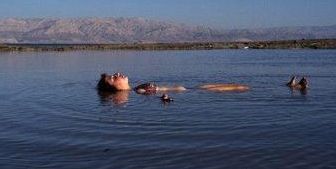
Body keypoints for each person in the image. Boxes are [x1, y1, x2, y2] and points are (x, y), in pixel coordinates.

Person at [97, 72, 247, 94]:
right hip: (188, 92)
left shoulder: (135, 89)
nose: (116, 74)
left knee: (236, 85)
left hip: (190, 88)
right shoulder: (138, 92)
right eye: (112, 77)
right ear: (114, 86)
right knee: (238, 87)